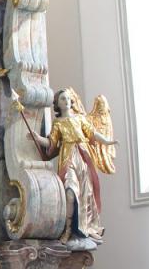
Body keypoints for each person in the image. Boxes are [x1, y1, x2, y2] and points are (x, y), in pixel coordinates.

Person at [33, 88, 118, 243]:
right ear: (57, 104)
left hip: (83, 158)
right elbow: (52, 142)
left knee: (86, 194)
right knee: (70, 193)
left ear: (71, 101)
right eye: (62, 99)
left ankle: (88, 227)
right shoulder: (58, 123)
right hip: (68, 158)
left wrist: (107, 141)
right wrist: (38, 139)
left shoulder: (79, 118)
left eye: (67, 98)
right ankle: (67, 230)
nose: (66, 101)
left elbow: (92, 133)